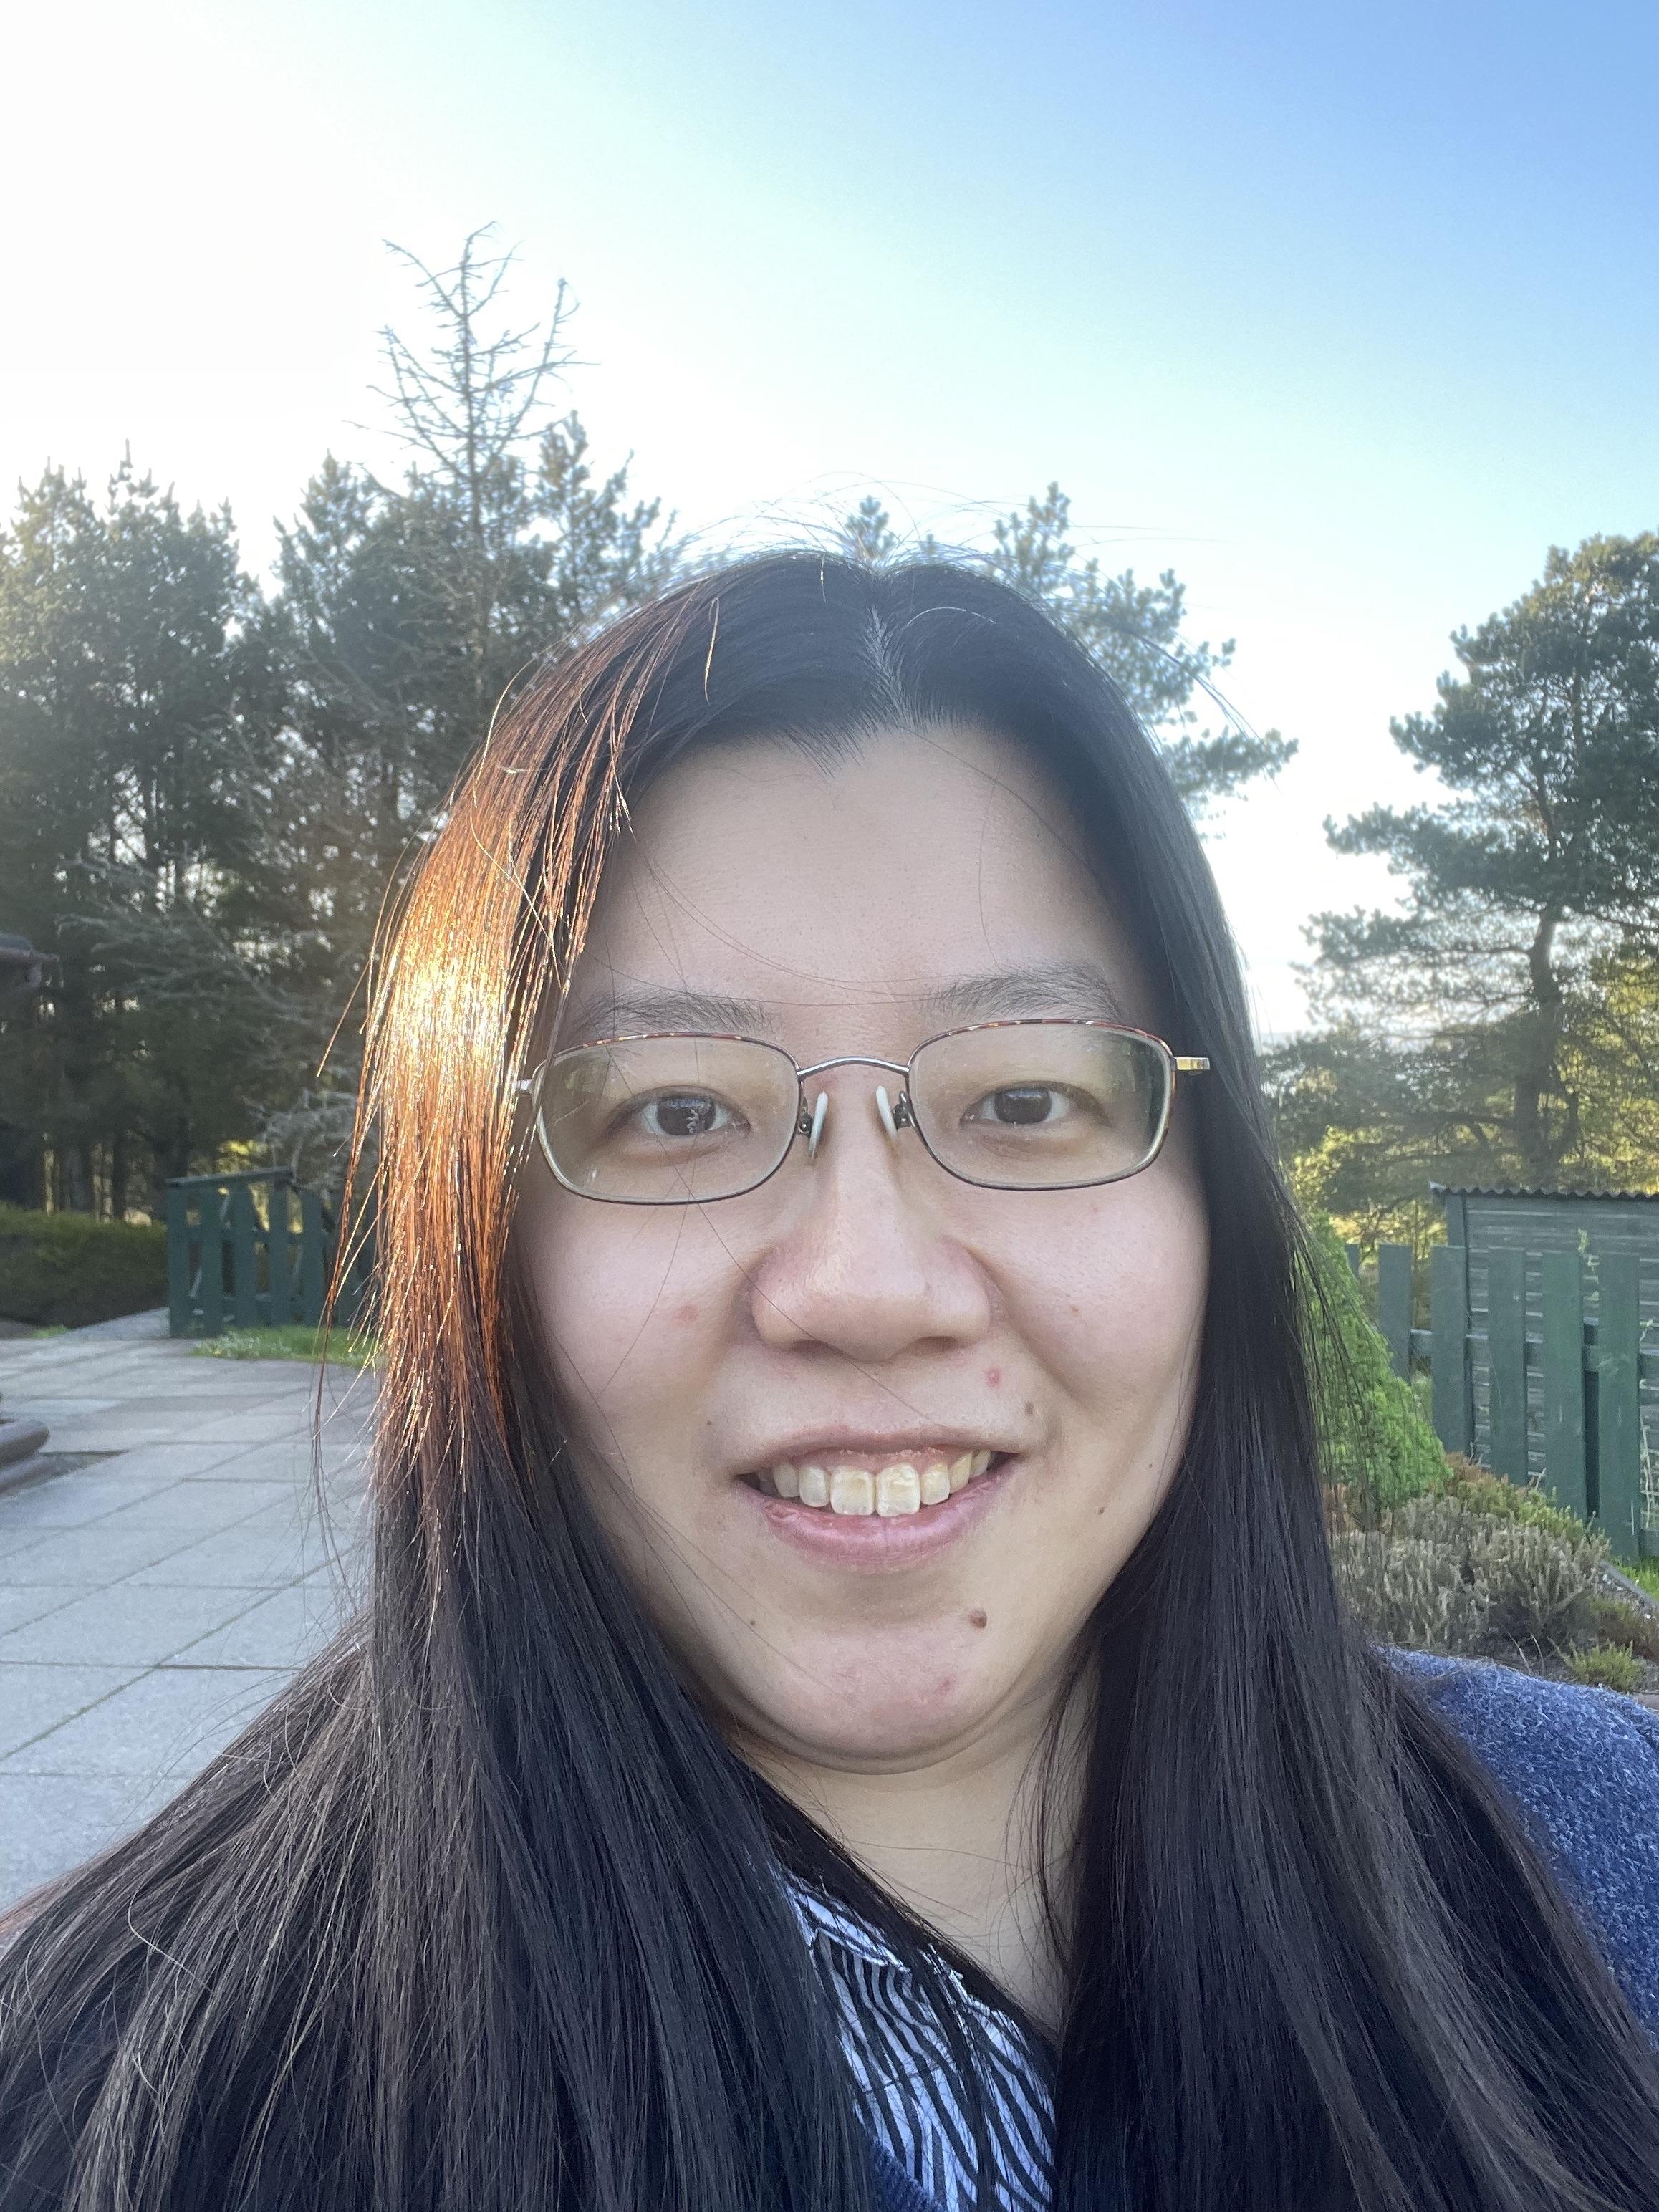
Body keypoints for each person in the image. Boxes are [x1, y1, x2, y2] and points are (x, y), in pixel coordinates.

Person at [2, 553, 1657, 2212]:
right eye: (674, 1112)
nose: (867, 1286)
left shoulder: (1611, 1852)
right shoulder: (109, 2106)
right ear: (479, 1237)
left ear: (1209, 1195)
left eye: (1025, 1100)